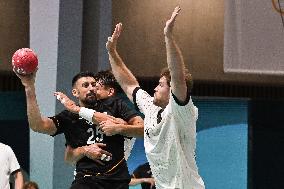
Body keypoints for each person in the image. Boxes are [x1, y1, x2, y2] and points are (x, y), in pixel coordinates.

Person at [106, 6, 205, 189]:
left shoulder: (181, 111)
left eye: (160, 85)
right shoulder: (150, 107)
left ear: (172, 89)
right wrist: (112, 52)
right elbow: (129, 85)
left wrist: (168, 37)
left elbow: (177, 75)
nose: (154, 88)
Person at [15, 70, 144, 189]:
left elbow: (142, 128)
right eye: (85, 85)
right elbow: (38, 125)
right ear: (75, 92)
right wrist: (29, 87)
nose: (91, 88)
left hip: (116, 181)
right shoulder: (69, 117)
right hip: (86, 180)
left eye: (94, 84)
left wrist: (119, 127)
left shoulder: (115, 105)